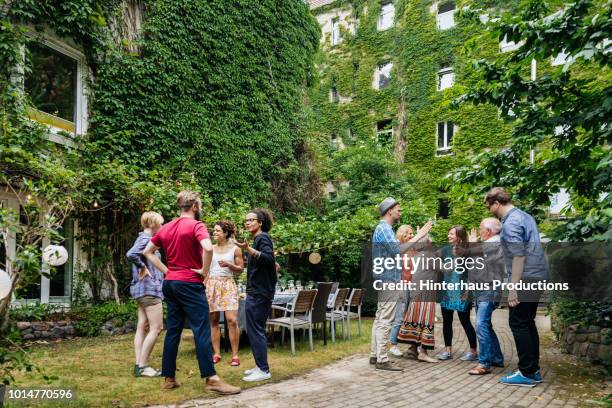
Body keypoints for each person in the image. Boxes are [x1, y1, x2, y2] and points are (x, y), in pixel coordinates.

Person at [143, 191, 240, 395]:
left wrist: (167, 271)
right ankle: (211, 379)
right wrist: (204, 271)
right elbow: (207, 247)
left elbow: (147, 252)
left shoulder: (167, 226)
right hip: (189, 283)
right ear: (195, 206)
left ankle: (169, 378)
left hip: (170, 284)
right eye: (200, 204)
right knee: (201, 329)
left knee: (173, 331)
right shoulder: (197, 226)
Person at [484, 187, 548, 387]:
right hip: (537, 276)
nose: (490, 210)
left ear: (496, 203)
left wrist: (513, 289)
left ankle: (527, 373)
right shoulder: (525, 216)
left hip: (525, 278)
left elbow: (519, 256)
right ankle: (533, 370)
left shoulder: (511, 222)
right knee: (527, 322)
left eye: (489, 206)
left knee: (518, 323)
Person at [370, 197, 432, 371]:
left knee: (379, 318)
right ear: (389, 211)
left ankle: (375, 355)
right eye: (399, 209)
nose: (400, 211)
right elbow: (397, 250)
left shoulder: (384, 229)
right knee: (385, 320)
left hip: (386, 279)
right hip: (388, 280)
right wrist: (419, 235)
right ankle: (382, 359)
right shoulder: (384, 228)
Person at [236, 208, 277, 382]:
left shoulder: (262, 238)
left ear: (260, 223)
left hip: (260, 292)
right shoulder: (259, 239)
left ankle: (263, 369)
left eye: (251, 220)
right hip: (258, 290)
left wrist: (249, 250)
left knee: (256, 330)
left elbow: (268, 258)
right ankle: (259, 365)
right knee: (254, 329)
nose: (247, 222)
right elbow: (270, 263)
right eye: (246, 220)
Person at [126, 211, 165, 378]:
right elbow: (131, 254)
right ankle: (143, 366)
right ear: (153, 224)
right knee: (157, 328)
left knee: (142, 325)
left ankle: (138, 364)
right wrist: (142, 266)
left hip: (142, 290)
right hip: (149, 289)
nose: (162, 227)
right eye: (160, 224)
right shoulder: (145, 240)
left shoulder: (142, 238)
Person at [465, 218, 505, 375]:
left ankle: (484, 364)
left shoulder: (494, 243)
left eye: (481, 228)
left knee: (481, 324)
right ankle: (496, 358)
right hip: (483, 288)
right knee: (486, 325)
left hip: (489, 289)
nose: (479, 231)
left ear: (488, 231)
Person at [437, 225, 478, 362]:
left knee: (465, 321)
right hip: (447, 291)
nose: (448, 236)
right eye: (449, 233)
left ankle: (473, 351)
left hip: (462, 292)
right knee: (447, 321)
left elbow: (473, 273)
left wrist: (468, 291)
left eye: (452, 234)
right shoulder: (445, 250)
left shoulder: (468, 251)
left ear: (459, 236)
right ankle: (448, 351)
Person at [396, 231, 438, 363]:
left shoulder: (417, 256)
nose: (432, 242)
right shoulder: (430, 256)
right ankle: (423, 353)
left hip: (416, 293)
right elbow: (445, 268)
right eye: (430, 240)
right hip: (426, 293)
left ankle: (412, 349)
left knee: (416, 318)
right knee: (425, 320)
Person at [207, 221, 243, 367]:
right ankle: (216, 353)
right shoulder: (209, 248)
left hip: (228, 284)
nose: (214, 233)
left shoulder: (235, 249)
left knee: (232, 320)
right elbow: (205, 268)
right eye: (214, 230)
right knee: (214, 320)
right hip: (212, 284)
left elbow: (240, 269)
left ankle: (235, 355)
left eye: (217, 231)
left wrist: (229, 265)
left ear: (226, 233)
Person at [389, 225, 413, 357]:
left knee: (405, 315)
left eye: (412, 233)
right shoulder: (397, 248)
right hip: (401, 285)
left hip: (410, 285)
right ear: (401, 233)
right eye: (407, 233)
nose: (410, 235)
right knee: (399, 314)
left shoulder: (410, 249)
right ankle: (392, 345)